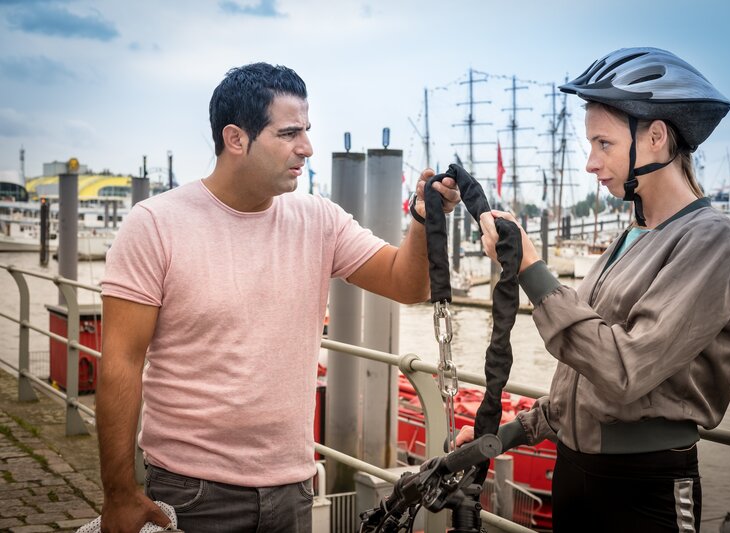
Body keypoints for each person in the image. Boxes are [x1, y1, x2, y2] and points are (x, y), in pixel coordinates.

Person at [96, 62, 460, 533]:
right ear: (236, 138)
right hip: (192, 491)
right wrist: (120, 494)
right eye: (289, 133)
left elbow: (407, 284)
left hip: (295, 487)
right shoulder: (155, 225)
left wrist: (422, 218)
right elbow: (121, 360)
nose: (306, 147)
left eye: (306, 131)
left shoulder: (319, 221)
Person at [458, 47, 730, 532]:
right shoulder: (628, 238)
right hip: (576, 472)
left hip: (645, 486)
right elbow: (583, 381)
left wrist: (532, 268)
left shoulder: (709, 239)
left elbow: (622, 370)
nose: (591, 162)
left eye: (604, 144)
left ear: (656, 137)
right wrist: (503, 434)